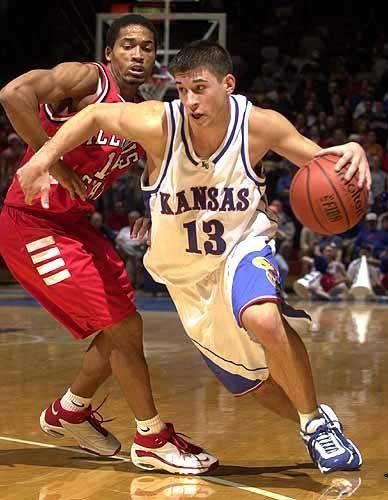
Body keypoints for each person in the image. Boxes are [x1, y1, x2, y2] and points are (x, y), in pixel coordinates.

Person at [15, 40, 370, 474]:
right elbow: (92, 115)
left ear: (228, 84)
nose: (190, 100)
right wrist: (44, 158)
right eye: (182, 89)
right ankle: (312, 417)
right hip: (187, 280)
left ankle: (316, 424)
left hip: (242, 248)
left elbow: (320, 163)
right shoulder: (159, 124)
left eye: (200, 88)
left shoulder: (260, 125)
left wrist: (350, 149)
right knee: (252, 385)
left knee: (261, 316)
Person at [0, 18, 217, 474]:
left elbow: (170, 176)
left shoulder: (141, 114)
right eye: (128, 46)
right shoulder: (86, 80)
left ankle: (70, 411)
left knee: (128, 325)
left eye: (147, 48)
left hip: (74, 225)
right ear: (112, 51)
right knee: (119, 326)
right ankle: (152, 436)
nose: (138, 54)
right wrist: (53, 163)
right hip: (31, 224)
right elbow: (13, 94)